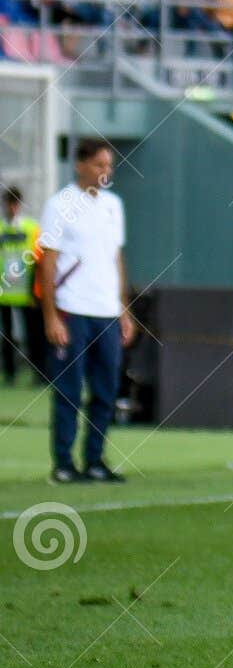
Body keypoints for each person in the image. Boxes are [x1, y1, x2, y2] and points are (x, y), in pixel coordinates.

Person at [37, 139, 135, 483]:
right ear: (80, 165)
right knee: (69, 390)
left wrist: (123, 309)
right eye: (99, 165)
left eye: (109, 166)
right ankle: (63, 463)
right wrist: (50, 315)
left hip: (106, 313)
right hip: (72, 311)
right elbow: (47, 264)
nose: (105, 172)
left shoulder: (114, 206)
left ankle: (95, 459)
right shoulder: (60, 204)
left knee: (106, 389)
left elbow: (116, 259)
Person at [0, 184, 43, 385]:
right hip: (4, 292)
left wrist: (37, 290)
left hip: (26, 292)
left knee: (33, 333)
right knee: (6, 335)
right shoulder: (1, 228)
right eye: (9, 203)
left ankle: (38, 371)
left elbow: (39, 258)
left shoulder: (31, 228)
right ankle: (10, 373)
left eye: (15, 203)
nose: (12, 208)